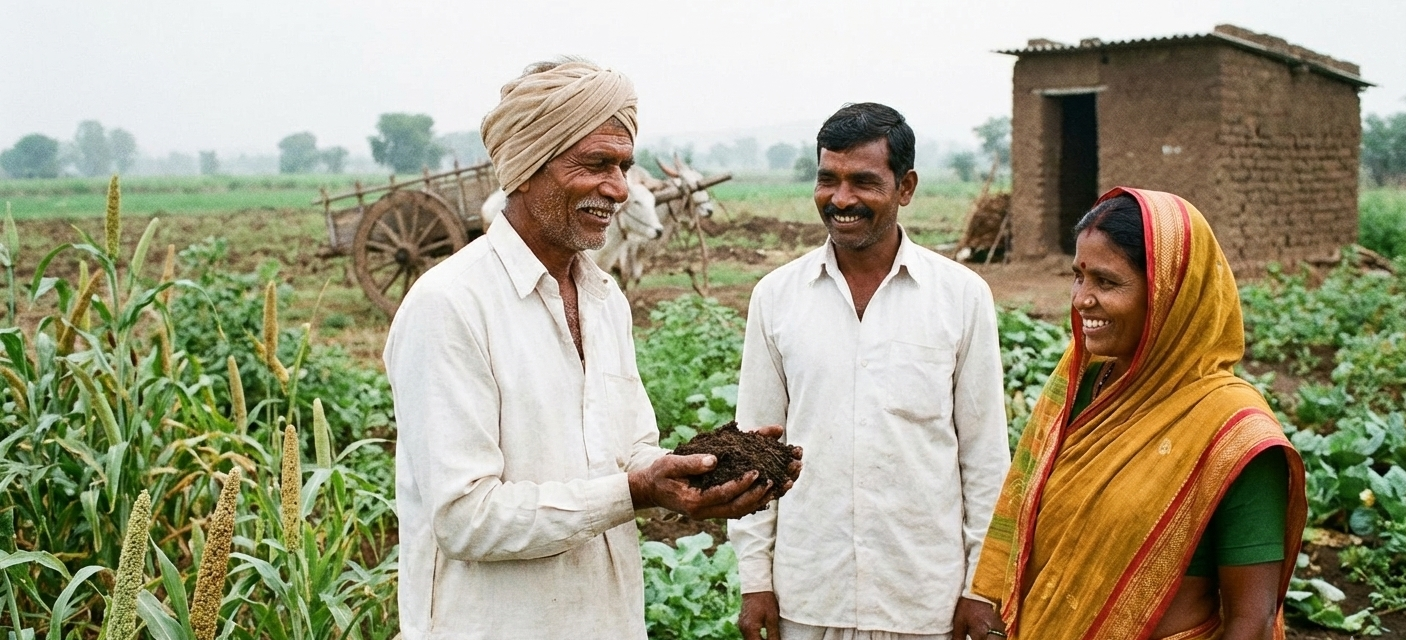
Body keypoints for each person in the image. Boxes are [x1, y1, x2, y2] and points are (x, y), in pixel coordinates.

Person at [383, 58, 795, 640]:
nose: (620, 189)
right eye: (597, 164)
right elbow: (465, 519)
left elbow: (629, 452)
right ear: (527, 169)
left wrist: (698, 476)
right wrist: (636, 491)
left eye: (624, 166)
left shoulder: (604, 299)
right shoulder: (449, 305)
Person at [970, 188, 1308, 640]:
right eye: (1078, 277)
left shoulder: (1235, 433)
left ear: (1170, 294)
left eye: (1106, 283)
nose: (1081, 300)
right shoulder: (1081, 385)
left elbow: (1253, 619)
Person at [729, 102, 1011, 640]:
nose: (841, 200)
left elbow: (984, 456)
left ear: (905, 187)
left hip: (922, 598)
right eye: (827, 179)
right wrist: (754, 580)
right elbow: (754, 448)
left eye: (863, 181)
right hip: (807, 595)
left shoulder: (961, 297)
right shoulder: (776, 297)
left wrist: (980, 587)